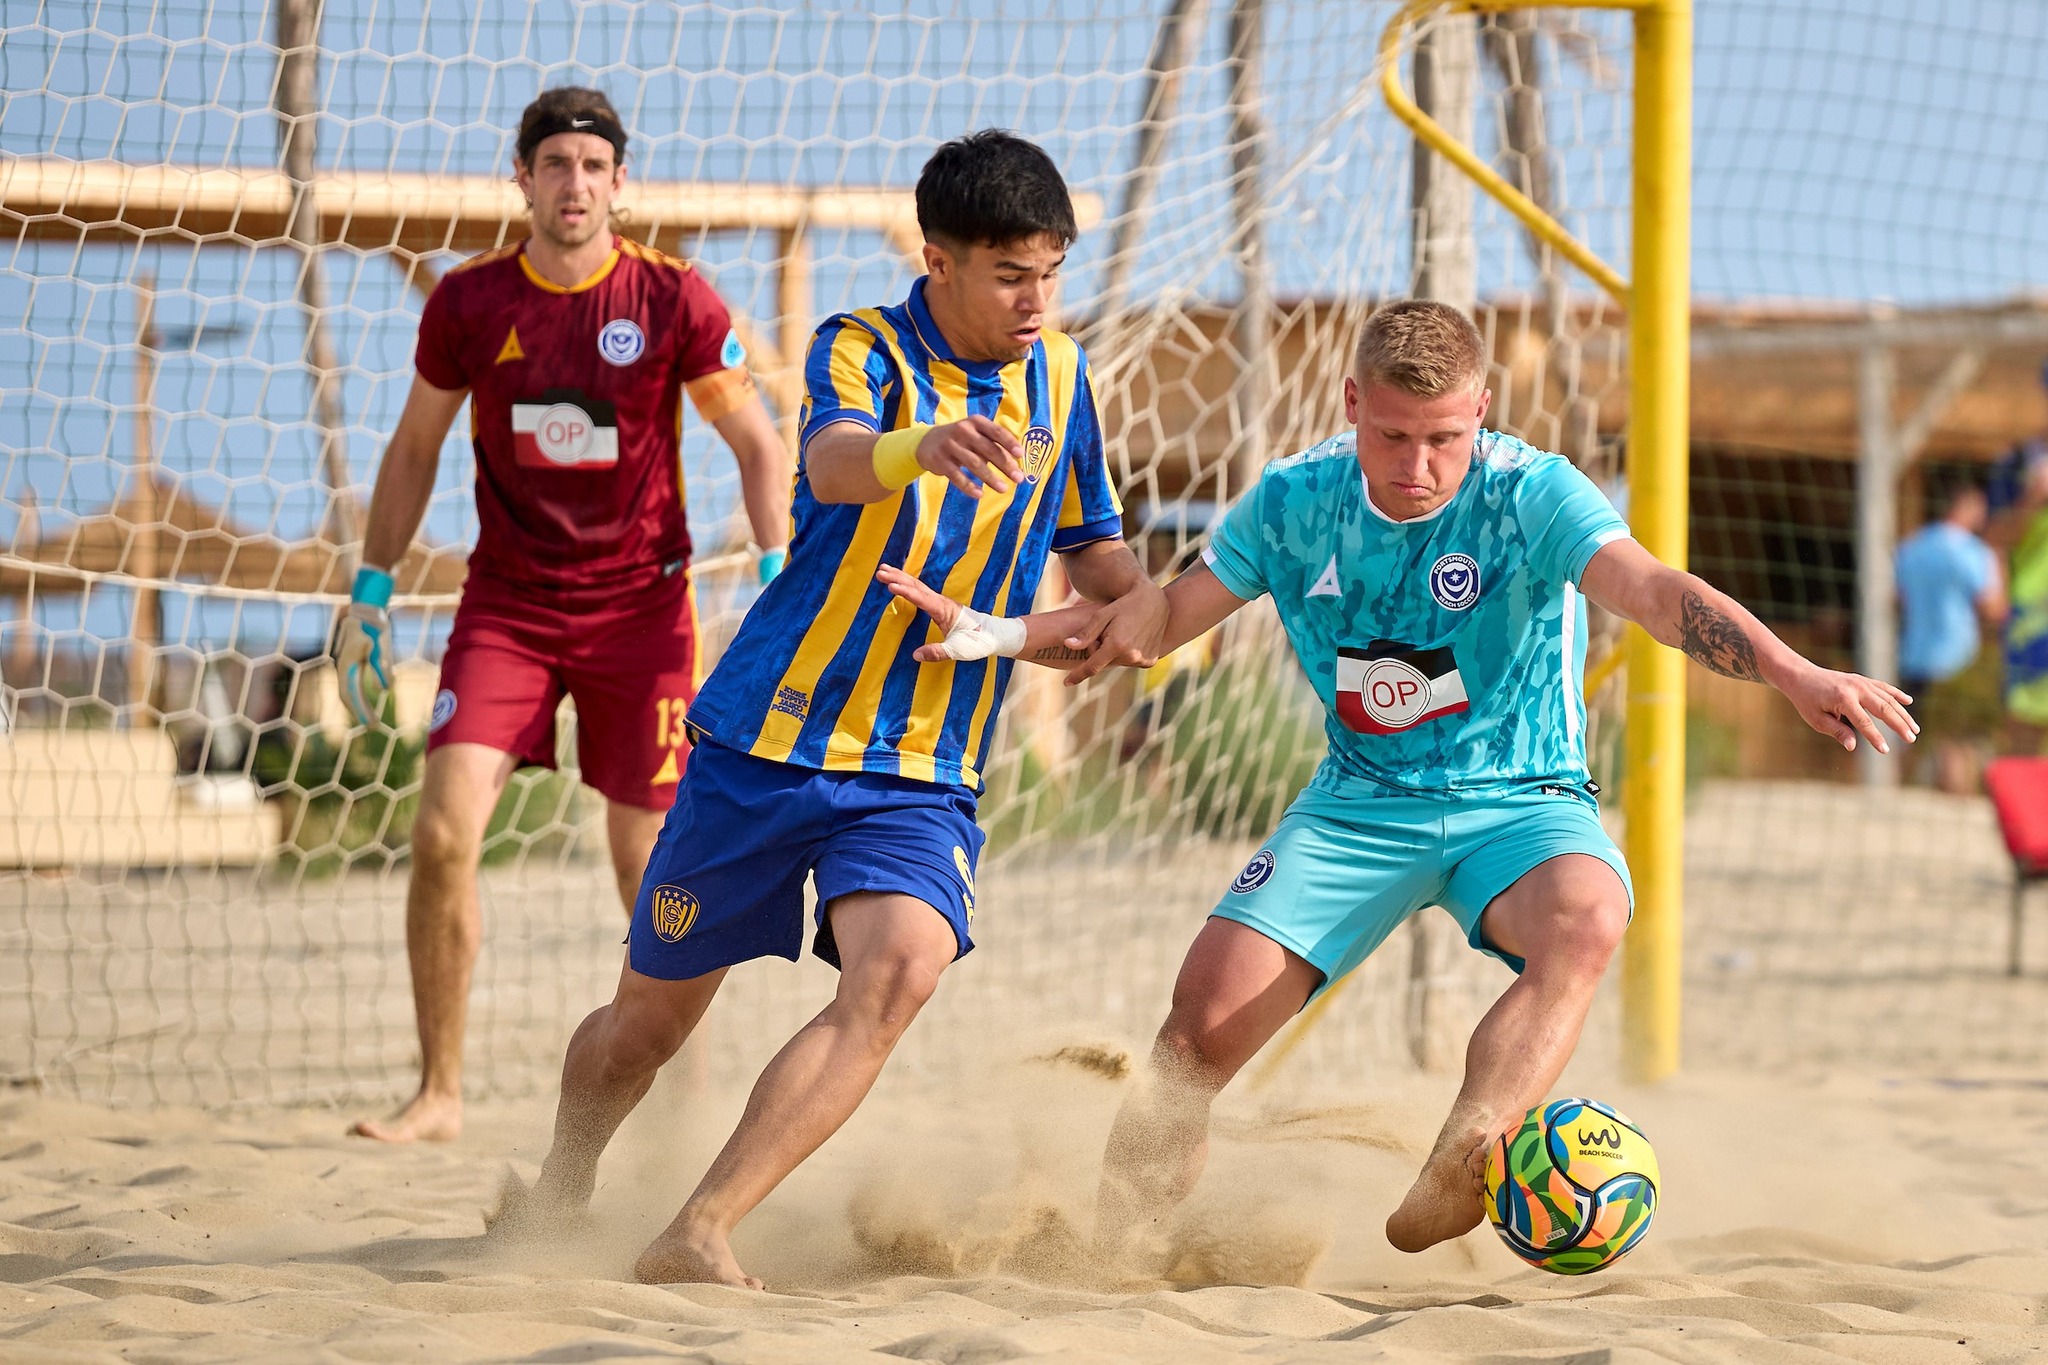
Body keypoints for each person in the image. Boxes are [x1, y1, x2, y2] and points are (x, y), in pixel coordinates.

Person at [881, 299, 1917, 1263]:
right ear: (1350, 409)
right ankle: (1113, 1259)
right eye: (1390, 437)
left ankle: (1466, 1151)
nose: (1417, 465)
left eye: (1442, 439)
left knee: (1588, 916)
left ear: (1480, 414)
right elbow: (1153, 624)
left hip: (1520, 800)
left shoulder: (1529, 492)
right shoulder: (1292, 503)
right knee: (1193, 1033)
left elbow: (1649, 590)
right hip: (1355, 804)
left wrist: (1788, 668)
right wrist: (1008, 632)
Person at [511, 129, 1170, 1287]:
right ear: (938, 261)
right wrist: (929, 445)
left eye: (1050, 273)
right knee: (644, 1032)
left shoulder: (1063, 378)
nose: (1034, 300)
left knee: (899, 970)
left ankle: (700, 1226)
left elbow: (1093, 543)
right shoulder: (860, 344)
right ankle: (560, 1190)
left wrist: (1158, 620)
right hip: (765, 742)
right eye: (1009, 274)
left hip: (920, 766)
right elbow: (829, 464)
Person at [333, 87, 793, 1144]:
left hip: (642, 612)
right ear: (523, 180)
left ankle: (680, 1097)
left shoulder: (675, 301)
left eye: (593, 165)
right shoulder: (469, 305)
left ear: (618, 185)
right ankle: (439, 1092)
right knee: (443, 832)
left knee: (653, 869)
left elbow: (761, 447)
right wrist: (368, 591)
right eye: (555, 165)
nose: (574, 183)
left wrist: (773, 573)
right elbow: (412, 451)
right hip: (508, 608)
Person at [1895, 481, 2004, 718]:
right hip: (1961, 663)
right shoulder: (1976, 553)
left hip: (1913, 658)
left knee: (1909, 735)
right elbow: (1993, 609)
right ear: (1968, 508)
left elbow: (1897, 598)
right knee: (1959, 744)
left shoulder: (1912, 546)